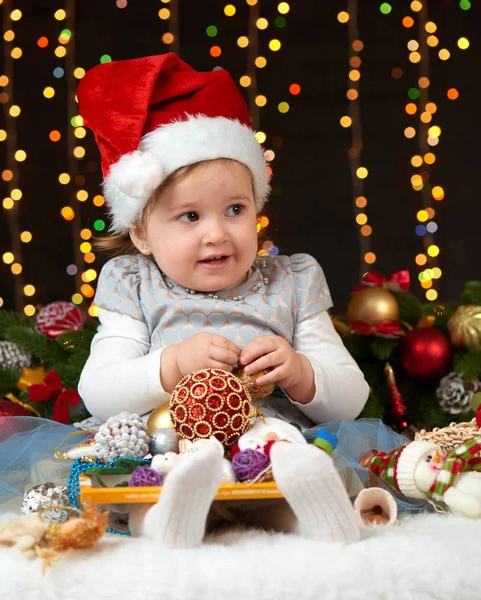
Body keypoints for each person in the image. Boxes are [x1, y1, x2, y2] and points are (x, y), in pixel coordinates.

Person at [77, 52, 370, 548]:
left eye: (235, 209)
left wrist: (300, 372)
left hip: (271, 451)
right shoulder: (134, 282)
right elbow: (98, 391)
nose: (217, 234)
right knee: (146, 495)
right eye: (189, 216)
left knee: (289, 491)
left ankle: (317, 518)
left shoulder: (291, 280)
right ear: (143, 233)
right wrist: (171, 365)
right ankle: (174, 518)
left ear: (257, 207)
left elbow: (353, 398)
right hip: (168, 449)